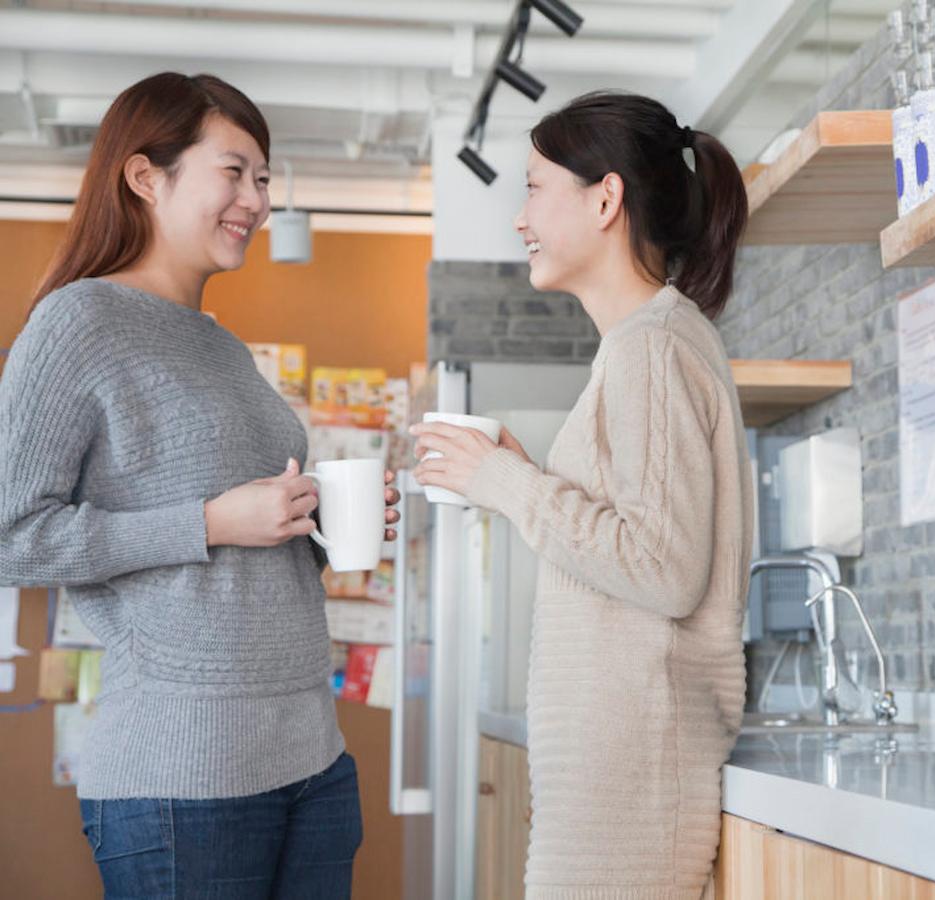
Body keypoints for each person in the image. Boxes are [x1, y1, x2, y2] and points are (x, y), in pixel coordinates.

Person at [0, 72, 399, 899]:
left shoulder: (221, 346)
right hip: (186, 773)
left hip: (313, 760)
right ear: (147, 177)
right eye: (236, 170)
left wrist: (316, 523)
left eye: (263, 177)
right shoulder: (78, 322)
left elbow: (244, 558)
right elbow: (10, 534)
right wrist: (210, 521)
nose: (256, 199)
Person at [410, 91, 754, 899]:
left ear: (606, 198)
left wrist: (507, 483)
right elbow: (637, 542)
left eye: (533, 188)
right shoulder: (646, 346)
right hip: (616, 776)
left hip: (632, 780)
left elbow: (663, 569)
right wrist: (535, 480)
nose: (520, 217)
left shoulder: (653, 350)